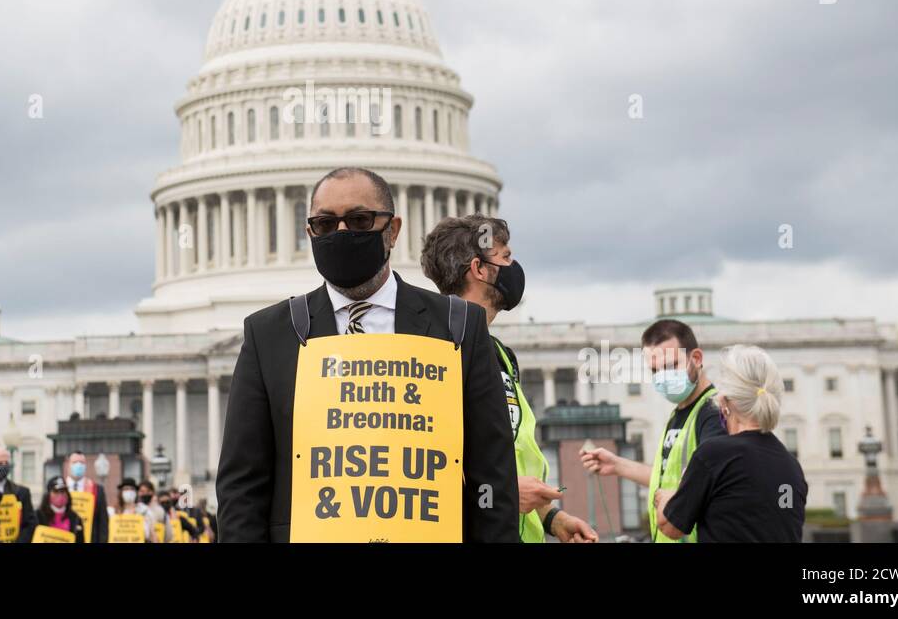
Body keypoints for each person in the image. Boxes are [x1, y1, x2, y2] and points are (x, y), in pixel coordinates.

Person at [216, 166, 519, 542]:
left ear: (392, 230)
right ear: (310, 233)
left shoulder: (457, 327)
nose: (341, 234)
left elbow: (491, 478)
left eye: (359, 220)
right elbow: (241, 489)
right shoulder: (270, 335)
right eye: (325, 224)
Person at [421, 214, 597, 544]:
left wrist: (552, 519)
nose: (514, 267)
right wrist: (504, 492)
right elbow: (423, 465)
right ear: (479, 269)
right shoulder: (435, 353)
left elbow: (511, 461)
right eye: (505, 257)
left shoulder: (501, 354)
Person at [580, 317, 726, 542]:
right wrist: (617, 465)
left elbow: (706, 484)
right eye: (655, 370)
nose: (663, 377)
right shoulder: (679, 413)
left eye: (670, 366)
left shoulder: (713, 413)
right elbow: (668, 479)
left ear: (696, 358)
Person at [655, 345, 807, 542]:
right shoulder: (792, 467)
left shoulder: (714, 455)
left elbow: (671, 526)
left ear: (725, 404)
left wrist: (666, 498)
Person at [63, 451, 109, 543]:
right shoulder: (59, 489)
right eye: (75, 462)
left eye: (82, 463)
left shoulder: (96, 490)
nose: (78, 465)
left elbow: (103, 522)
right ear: (68, 465)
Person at [37, 475, 85, 542]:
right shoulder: (38, 516)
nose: (60, 495)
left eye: (63, 491)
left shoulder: (76, 518)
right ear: (48, 494)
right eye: (56, 491)